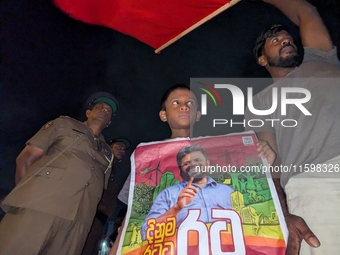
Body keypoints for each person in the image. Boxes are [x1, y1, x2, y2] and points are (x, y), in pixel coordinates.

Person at [110, 84, 276, 254]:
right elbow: (134, 218)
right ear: (163, 115)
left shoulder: (225, 179)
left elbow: (255, 212)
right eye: (176, 103)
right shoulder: (148, 159)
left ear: (198, 115)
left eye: (190, 103)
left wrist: (263, 163)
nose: (184, 106)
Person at [245, 0, 340, 254]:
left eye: (287, 38)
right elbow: (271, 164)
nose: (285, 39)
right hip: (317, 184)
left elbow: (306, 11)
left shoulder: (321, 60)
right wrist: (283, 214)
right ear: (262, 59)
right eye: (275, 41)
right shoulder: (260, 102)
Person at [0, 92, 118, 255]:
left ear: (110, 122)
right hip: (41, 207)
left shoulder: (107, 153)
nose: (104, 110)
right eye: (99, 107)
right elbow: (26, 158)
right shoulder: (64, 124)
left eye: (109, 110)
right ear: (88, 113)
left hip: (78, 224)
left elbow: (99, 190)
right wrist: (28, 198)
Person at [141, 145, 234, 240]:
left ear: (207, 163)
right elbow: (147, 233)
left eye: (198, 160)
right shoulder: (167, 194)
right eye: (186, 163)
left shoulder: (227, 191)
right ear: (181, 169)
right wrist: (177, 208)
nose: (193, 165)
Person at [82, 136, 131, 255]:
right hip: (90, 218)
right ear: (109, 147)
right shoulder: (99, 166)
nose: (122, 151)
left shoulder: (113, 173)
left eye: (124, 150)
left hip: (101, 222)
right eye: (119, 147)